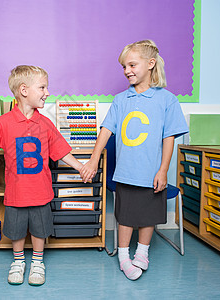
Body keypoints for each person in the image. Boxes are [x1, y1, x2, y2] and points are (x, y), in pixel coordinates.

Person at [0, 65, 85, 286]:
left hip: (41, 191)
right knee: (16, 230)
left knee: (39, 228)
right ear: (24, 90)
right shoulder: (4, 123)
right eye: (43, 87)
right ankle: (18, 261)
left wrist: (81, 167)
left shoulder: (45, 124)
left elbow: (62, 152)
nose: (47, 92)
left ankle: (37, 262)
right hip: (16, 192)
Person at [80, 40, 188, 280]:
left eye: (132, 64)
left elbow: (168, 139)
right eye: (124, 67)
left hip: (152, 172)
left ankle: (142, 252)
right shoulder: (121, 100)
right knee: (127, 215)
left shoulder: (167, 100)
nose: (127, 70)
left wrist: (163, 171)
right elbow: (106, 131)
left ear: (150, 64)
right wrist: (93, 160)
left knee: (148, 215)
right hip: (127, 172)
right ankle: (123, 256)